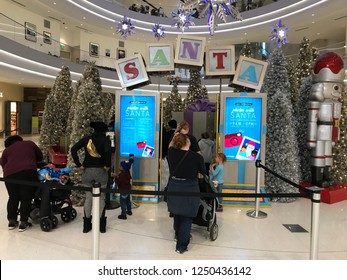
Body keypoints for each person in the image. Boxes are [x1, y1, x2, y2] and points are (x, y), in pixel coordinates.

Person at [167, 133, 205, 254]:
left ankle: (178, 235)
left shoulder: (171, 153)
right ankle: (181, 245)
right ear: (188, 142)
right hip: (190, 187)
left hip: (174, 186)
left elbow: (171, 146)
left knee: (177, 212)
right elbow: (202, 173)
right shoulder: (197, 157)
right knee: (187, 216)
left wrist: (174, 137)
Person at [71, 121, 112, 233]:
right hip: (101, 171)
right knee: (102, 197)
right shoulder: (105, 139)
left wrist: (79, 164)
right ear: (103, 131)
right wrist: (107, 165)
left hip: (87, 171)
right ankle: (101, 226)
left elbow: (73, 149)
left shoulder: (87, 138)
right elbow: (108, 151)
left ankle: (86, 225)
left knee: (88, 198)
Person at [0, 135, 43, 232]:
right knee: (26, 198)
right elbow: (40, 156)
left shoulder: (7, 151)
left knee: (13, 197)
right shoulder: (29, 144)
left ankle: (12, 221)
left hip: (9, 175)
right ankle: (23, 222)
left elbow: (2, 163)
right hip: (28, 172)